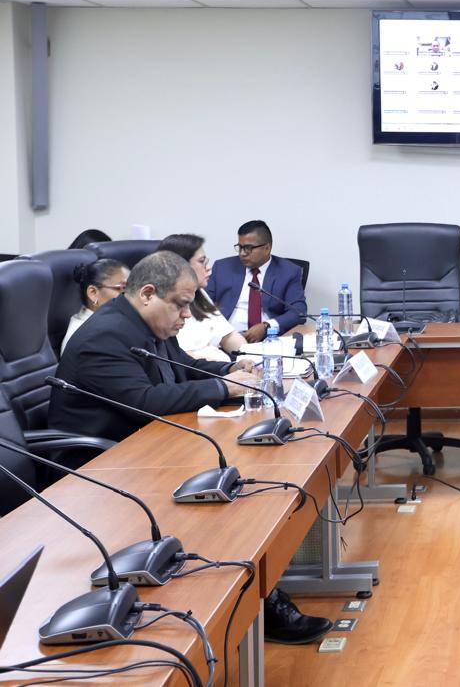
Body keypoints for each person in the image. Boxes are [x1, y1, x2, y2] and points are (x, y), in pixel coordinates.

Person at [48, 251, 331, 645]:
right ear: (148, 294)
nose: (186, 315)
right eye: (181, 305)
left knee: (237, 478)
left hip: (145, 448)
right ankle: (251, 605)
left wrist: (231, 371)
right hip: (100, 466)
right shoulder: (105, 337)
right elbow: (144, 401)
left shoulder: (143, 324)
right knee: (224, 501)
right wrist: (222, 389)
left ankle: (256, 596)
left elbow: (182, 368)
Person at [207, 220, 306, 343]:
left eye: (248, 248)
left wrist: (267, 326)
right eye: (240, 247)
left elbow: (298, 312)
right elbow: (202, 305)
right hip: (225, 339)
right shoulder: (222, 268)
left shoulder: (288, 271)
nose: (242, 253)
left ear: (267, 248)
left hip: (269, 340)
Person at [158, 233, 246, 362]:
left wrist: (250, 356)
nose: (208, 268)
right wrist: (228, 369)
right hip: (200, 371)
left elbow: (228, 336)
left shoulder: (199, 293)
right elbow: (183, 359)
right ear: (180, 265)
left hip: (223, 368)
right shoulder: (165, 303)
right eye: (201, 262)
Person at [63, 258, 129, 353]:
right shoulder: (86, 336)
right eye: (123, 288)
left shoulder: (111, 323)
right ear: (93, 293)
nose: (130, 295)